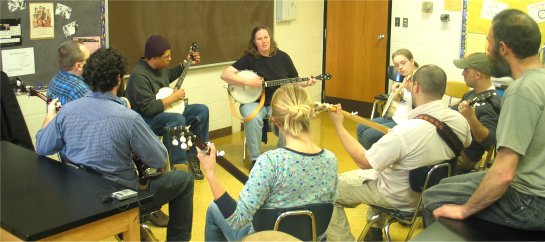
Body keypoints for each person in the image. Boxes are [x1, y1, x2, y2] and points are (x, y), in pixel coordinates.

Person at [35, 48, 194, 241]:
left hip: (79, 199)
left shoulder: (66, 111)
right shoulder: (129, 118)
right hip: (120, 201)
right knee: (184, 180)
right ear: (119, 79)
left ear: (88, 76)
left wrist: (50, 117)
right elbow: (159, 159)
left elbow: (42, 147)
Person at [422, 9, 545, 231]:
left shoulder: (521, 91)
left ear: (503, 48)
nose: (487, 51)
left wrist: (464, 209)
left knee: (433, 197)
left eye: (488, 42)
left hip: (530, 202)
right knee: (445, 184)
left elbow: (504, 172)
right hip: (537, 191)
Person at [326, 65, 472, 241]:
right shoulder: (459, 120)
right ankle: (373, 231)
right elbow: (467, 142)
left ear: (416, 87)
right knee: (386, 168)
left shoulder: (406, 131)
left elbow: (365, 162)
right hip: (432, 196)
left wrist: (339, 126)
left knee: (329, 189)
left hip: (399, 198)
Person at [197, 84, 338, 241]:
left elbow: (237, 220)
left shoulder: (270, 162)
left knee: (214, 208)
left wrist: (210, 173)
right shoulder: (331, 160)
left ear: (275, 121)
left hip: (268, 238)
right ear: (309, 115)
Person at [220, 25, 316, 166]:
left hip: (277, 102)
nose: (264, 41)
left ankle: (283, 155)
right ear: (254, 42)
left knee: (288, 115)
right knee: (252, 118)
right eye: (259, 38)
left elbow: (294, 81)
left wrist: (306, 83)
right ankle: (255, 159)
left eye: (266, 37)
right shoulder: (249, 58)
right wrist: (249, 82)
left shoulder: (283, 57)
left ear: (270, 38)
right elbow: (225, 74)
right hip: (252, 101)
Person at [125, 35, 208, 180]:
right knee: (177, 120)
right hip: (145, 119)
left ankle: (194, 156)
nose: (170, 59)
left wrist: (185, 64)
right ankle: (176, 167)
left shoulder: (159, 66)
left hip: (163, 111)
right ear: (154, 58)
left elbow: (167, 75)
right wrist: (174, 97)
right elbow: (149, 109)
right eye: (167, 56)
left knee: (201, 111)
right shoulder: (139, 76)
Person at [356, 49, 419, 149]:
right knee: (360, 128)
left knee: (368, 136)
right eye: (397, 65)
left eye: (403, 63)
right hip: (394, 116)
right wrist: (397, 95)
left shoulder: (419, 79)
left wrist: (409, 89)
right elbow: (404, 101)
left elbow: (420, 105)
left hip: (404, 122)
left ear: (412, 61)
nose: (400, 67)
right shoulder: (406, 78)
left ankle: (371, 162)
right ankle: (367, 160)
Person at [451, 52, 501, 174]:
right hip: (452, 146)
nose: (462, 73)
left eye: (466, 70)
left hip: (463, 157)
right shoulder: (471, 94)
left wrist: (471, 117)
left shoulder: (490, 103)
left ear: (478, 75)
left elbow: (489, 142)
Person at [47, 40, 91, 105]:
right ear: (78, 65)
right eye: (88, 59)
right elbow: (95, 112)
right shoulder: (77, 88)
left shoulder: (55, 79)